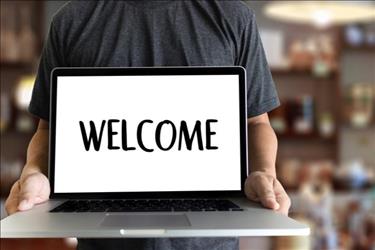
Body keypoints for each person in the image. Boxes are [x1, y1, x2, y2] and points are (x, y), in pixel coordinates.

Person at [5, 1, 291, 250]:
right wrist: (34, 172)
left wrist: (265, 172)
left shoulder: (235, 17)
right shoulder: (71, 21)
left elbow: (255, 122)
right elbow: (48, 129)